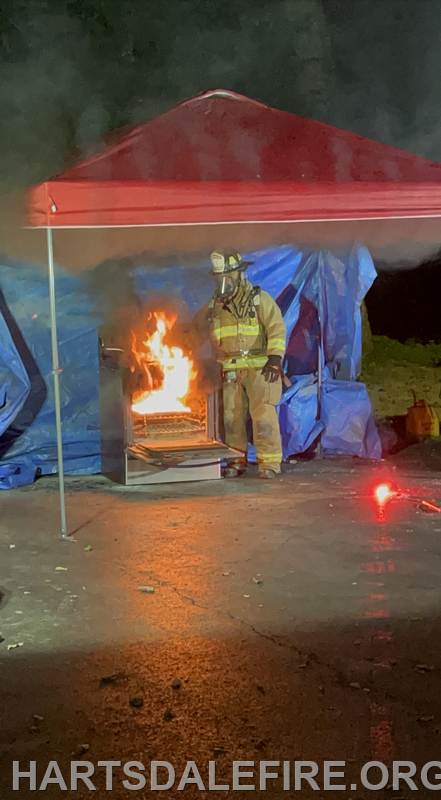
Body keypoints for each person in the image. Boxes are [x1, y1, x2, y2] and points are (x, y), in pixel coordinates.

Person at [190, 250, 286, 479]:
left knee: (263, 416)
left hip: (260, 368)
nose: (222, 285)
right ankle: (235, 461)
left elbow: (277, 328)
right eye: (218, 280)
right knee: (231, 419)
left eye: (226, 279)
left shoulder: (259, 299)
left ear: (239, 275)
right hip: (230, 370)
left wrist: (275, 358)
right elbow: (196, 331)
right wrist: (177, 346)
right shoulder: (215, 305)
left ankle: (269, 464)